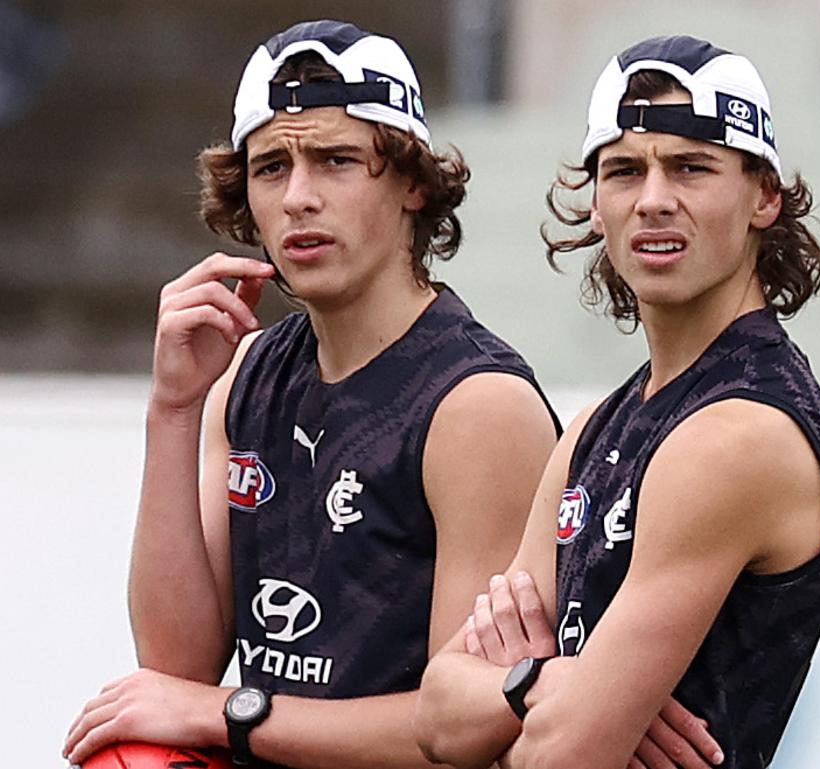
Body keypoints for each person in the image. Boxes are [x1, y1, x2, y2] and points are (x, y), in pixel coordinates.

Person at [62, 20, 561, 769]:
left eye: (335, 160)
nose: (298, 197)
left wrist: (235, 711)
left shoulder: (477, 403)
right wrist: (173, 408)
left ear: (413, 183)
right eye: (271, 167)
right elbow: (175, 669)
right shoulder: (247, 370)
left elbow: (464, 734)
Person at [414, 34, 820, 769]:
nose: (652, 200)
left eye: (690, 167)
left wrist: (519, 701)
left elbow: (561, 757)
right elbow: (436, 715)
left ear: (764, 196)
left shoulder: (739, 433)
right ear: (595, 203)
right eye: (623, 171)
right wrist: (549, 679)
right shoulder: (595, 426)